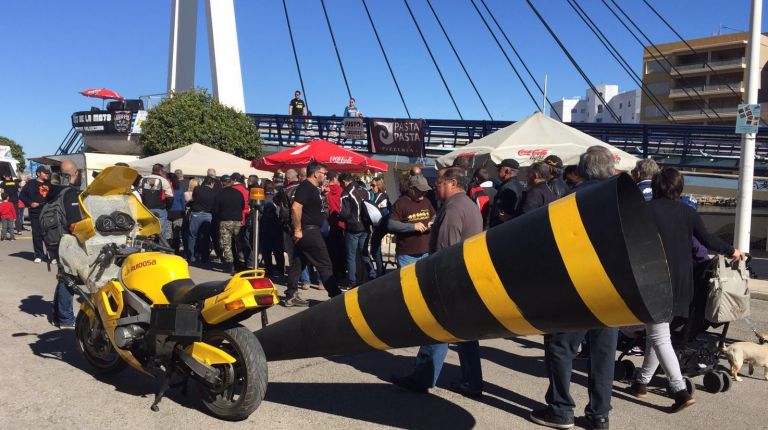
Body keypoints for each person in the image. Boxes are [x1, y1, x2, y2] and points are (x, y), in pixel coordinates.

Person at [628, 167, 744, 412]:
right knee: (657, 334)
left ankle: (679, 391)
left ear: (657, 187)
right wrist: (732, 251)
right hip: (683, 282)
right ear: (679, 188)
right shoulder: (687, 212)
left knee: (658, 335)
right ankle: (641, 383)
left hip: (655, 280)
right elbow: (708, 239)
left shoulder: (644, 212)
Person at [530, 146, 618, 430]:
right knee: (604, 354)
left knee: (561, 347)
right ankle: (599, 414)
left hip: (577, 287)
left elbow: (552, 245)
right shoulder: (622, 197)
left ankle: (561, 409)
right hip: (614, 290)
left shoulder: (572, 198)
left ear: (580, 169)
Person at [391, 167, 484, 396]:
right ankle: (472, 381)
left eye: (439, 182)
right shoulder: (469, 205)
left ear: (452, 183)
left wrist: (434, 283)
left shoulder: (453, 209)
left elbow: (445, 252)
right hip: (466, 278)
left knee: (436, 329)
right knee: (465, 334)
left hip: (451, 281)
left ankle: (422, 378)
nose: (436, 186)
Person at [285, 161, 342, 306]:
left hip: (309, 230)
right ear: (316, 174)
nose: (326, 177)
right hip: (309, 232)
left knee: (298, 263)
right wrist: (297, 230)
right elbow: (296, 208)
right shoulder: (306, 187)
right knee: (324, 263)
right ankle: (336, 297)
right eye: (324, 174)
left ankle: (291, 295)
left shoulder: (312, 189)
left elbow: (311, 206)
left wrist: (322, 195)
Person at [49, 159, 83, 329]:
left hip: (53, 240)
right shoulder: (70, 193)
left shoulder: (54, 190)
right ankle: (66, 319)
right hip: (66, 241)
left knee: (63, 277)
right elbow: (74, 223)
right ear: (75, 174)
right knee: (69, 279)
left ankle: (57, 316)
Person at [388, 175, 435, 268]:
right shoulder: (400, 203)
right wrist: (413, 227)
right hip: (407, 255)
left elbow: (434, 215)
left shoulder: (426, 201)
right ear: (411, 189)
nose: (423, 193)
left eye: (425, 190)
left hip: (426, 252)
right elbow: (390, 224)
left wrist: (433, 221)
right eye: (421, 190)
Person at [339, 173, 374, 287]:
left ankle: (352, 281)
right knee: (364, 253)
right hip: (366, 226)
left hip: (353, 228)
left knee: (351, 256)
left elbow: (344, 214)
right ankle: (372, 275)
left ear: (344, 181)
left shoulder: (346, 193)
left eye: (341, 183)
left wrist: (340, 216)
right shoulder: (365, 191)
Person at [211, 175, 244, 275]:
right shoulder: (239, 193)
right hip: (238, 221)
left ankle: (230, 266)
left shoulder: (219, 194)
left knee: (227, 245)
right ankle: (242, 264)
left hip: (225, 221)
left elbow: (215, 210)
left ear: (222, 183)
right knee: (239, 244)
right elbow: (242, 206)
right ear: (231, 182)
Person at [20, 165, 51, 263]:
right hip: (35, 212)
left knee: (49, 233)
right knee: (37, 233)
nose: (47, 174)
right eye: (44, 173)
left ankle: (52, 255)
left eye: (47, 173)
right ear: (38, 173)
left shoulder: (50, 183)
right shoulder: (31, 183)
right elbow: (22, 195)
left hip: (48, 211)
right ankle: (38, 255)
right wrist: (30, 203)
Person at [138, 163, 173, 241]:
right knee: (161, 230)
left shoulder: (143, 179)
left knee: (145, 230)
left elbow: (140, 194)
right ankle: (161, 249)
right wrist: (166, 206)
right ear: (160, 171)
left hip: (146, 209)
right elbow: (170, 196)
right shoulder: (163, 180)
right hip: (159, 208)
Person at [260, 180, 285, 279]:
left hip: (265, 228)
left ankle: (269, 270)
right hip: (278, 228)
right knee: (278, 251)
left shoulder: (261, 200)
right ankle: (281, 270)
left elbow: (259, 215)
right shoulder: (278, 200)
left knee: (266, 251)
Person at [324, 171, 347, 283]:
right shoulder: (342, 190)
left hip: (329, 223)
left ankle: (333, 272)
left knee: (331, 250)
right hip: (341, 223)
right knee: (341, 249)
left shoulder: (325, 191)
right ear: (334, 178)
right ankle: (342, 272)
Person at [187, 177, 215, 264]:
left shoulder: (197, 189)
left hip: (196, 214)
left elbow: (194, 198)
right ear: (211, 183)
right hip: (207, 215)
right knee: (206, 237)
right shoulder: (214, 192)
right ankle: (205, 258)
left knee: (192, 236)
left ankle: (191, 257)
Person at [488, 159, 523, 228]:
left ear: (507, 171)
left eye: (499, 169)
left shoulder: (507, 187)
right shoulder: (517, 185)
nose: (497, 171)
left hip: (501, 228)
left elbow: (501, 213)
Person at [369, 177, 391, 277]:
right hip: (375, 225)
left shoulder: (383, 197)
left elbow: (383, 212)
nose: (371, 187)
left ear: (379, 185)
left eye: (373, 185)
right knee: (375, 249)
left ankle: (381, 272)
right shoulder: (372, 195)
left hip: (380, 225)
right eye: (371, 185)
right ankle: (380, 270)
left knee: (375, 249)